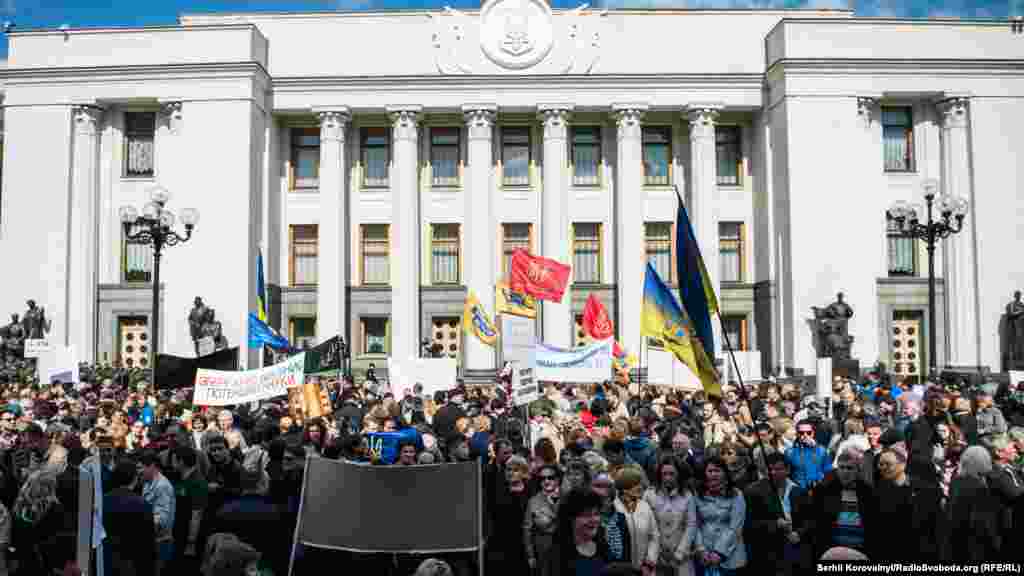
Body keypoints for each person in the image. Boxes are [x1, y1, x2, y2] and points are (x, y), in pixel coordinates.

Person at [744, 453, 810, 575]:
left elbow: (809, 520)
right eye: (770, 469)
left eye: (778, 469)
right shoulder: (753, 492)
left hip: (793, 550)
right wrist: (775, 524)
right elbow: (749, 524)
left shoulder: (799, 491)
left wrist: (799, 533)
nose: (773, 473)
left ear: (788, 470)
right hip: (767, 553)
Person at [692, 457, 746, 576]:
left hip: (730, 556)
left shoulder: (736, 494)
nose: (713, 474)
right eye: (710, 471)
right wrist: (701, 550)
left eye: (717, 471)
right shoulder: (697, 494)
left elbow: (735, 527)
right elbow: (695, 524)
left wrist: (719, 553)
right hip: (704, 555)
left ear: (725, 473)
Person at [947, 446, 1002, 562]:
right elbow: (984, 521)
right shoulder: (979, 486)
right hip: (974, 545)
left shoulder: (956, 480)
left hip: (954, 540)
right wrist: (995, 542)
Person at [102, 459, 156, 576]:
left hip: (107, 559)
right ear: (134, 479)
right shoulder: (142, 504)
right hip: (133, 562)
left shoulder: (103, 501)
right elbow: (147, 541)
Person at [644, 456, 696, 576]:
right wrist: (655, 552)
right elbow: (647, 526)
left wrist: (679, 553)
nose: (667, 477)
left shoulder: (688, 496)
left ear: (679, 474)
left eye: (672, 474)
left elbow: (691, 525)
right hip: (656, 555)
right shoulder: (649, 494)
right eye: (664, 474)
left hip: (681, 556)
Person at [542, 487, 610, 576]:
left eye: (596, 514)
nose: (594, 520)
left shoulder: (603, 547)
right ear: (570, 519)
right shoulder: (557, 555)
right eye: (587, 515)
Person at [613, 466, 659, 575]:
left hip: (645, 571)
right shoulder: (613, 507)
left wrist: (649, 562)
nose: (640, 487)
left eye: (640, 483)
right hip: (621, 571)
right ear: (624, 488)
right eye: (635, 484)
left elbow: (654, 536)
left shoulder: (645, 506)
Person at [140, 449, 176, 576]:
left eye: (141, 467)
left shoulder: (162, 486)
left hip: (161, 542)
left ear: (152, 466)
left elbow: (162, 519)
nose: (139, 471)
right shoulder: (147, 483)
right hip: (152, 540)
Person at [524, 464, 561, 574]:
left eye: (550, 477)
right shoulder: (533, 501)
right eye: (542, 478)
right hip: (542, 546)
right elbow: (527, 530)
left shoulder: (566, 498)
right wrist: (530, 555)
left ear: (557, 479)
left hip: (563, 545)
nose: (546, 481)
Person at [591, 471, 632, 566]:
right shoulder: (591, 521)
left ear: (611, 498)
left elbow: (627, 551)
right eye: (598, 499)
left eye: (605, 498)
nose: (602, 503)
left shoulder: (621, 518)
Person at [785, 420, 831, 491]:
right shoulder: (789, 452)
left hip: (819, 490)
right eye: (801, 433)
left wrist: (815, 448)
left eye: (808, 433)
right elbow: (787, 474)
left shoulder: (822, 450)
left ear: (813, 433)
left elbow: (828, 471)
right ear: (797, 434)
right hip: (799, 490)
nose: (805, 435)